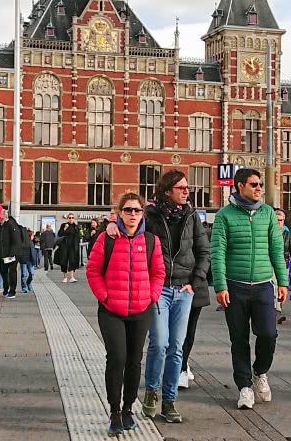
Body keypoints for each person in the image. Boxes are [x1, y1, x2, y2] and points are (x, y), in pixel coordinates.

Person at [107, 170, 209, 423]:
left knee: (177, 347)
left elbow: (204, 250)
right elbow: (128, 225)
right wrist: (109, 223)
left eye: (187, 187)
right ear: (167, 191)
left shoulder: (192, 215)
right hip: (159, 287)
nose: (187, 191)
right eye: (181, 188)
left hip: (184, 289)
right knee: (159, 343)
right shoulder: (150, 215)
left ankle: (169, 401)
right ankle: (152, 390)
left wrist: (196, 282)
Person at [86, 192, 165, 436]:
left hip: (141, 310)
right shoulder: (106, 239)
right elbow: (93, 270)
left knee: (134, 361)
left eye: (137, 210)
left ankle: (129, 408)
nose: (132, 214)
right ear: (119, 212)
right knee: (117, 358)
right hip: (112, 310)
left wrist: (151, 296)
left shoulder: (151, 241)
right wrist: (105, 296)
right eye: (128, 210)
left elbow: (158, 273)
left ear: (143, 214)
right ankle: (114, 410)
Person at [211, 168, 287, 410]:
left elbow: (277, 249)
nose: (259, 188)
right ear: (240, 186)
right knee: (239, 339)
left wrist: (282, 281)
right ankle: (244, 387)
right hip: (235, 286)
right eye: (254, 184)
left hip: (264, 285)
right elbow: (218, 253)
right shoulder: (224, 215)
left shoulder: (267, 213)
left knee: (268, 334)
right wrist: (221, 285)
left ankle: (260, 371)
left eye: (260, 184)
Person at [274, 209, 291, 324]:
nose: (279, 222)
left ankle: (278, 308)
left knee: (282, 287)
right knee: (274, 286)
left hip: (285, 264)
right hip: (270, 264)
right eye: (277, 220)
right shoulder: (268, 233)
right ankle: (276, 311)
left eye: (281, 220)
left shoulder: (287, 234)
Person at [0, 210, 24, 298]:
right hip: (3, 254)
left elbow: (16, 240)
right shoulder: (1, 226)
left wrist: (12, 253)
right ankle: (6, 288)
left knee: (12, 271)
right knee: (3, 271)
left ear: (2, 217)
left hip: (12, 254)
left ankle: (12, 290)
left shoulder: (11, 225)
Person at [57, 214, 81, 282]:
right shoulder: (64, 225)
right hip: (65, 245)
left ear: (74, 219)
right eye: (69, 217)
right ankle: (65, 277)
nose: (71, 219)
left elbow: (78, 235)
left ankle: (72, 277)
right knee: (64, 260)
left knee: (72, 261)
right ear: (67, 218)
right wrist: (64, 229)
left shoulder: (76, 226)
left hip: (73, 246)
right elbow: (59, 234)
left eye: (72, 218)